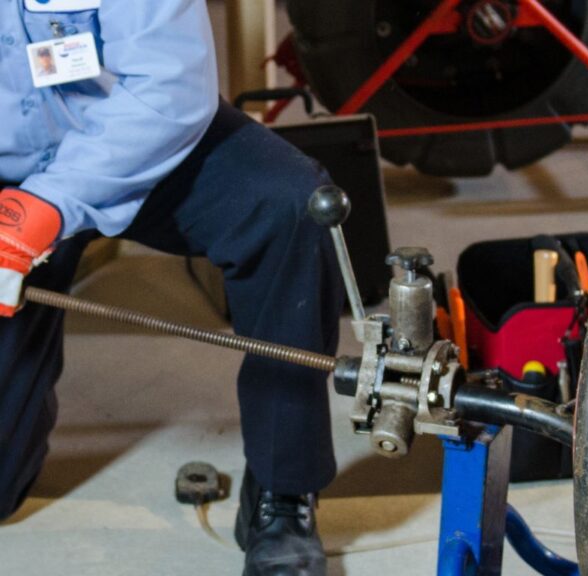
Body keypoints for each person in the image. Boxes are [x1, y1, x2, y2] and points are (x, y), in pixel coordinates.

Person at [0, 1, 343, 574]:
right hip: (7, 174)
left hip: (134, 134)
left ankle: (284, 491)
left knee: (287, 205)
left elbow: (169, 83)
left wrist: (52, 203)